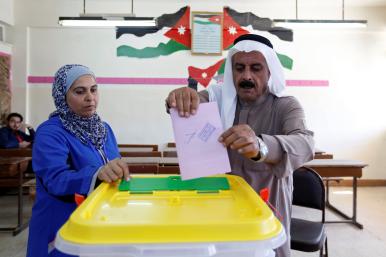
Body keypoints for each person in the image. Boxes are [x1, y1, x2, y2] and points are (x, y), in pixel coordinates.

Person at [165, 34, 314, 257]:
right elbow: (191, 103)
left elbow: (305, 143)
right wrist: (179, 99)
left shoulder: (286, 106)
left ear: (269, 71)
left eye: (256, 68)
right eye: (239, 68)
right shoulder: (216, 99)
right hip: (220, 212)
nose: (246, 76)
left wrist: (261, 146)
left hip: (267, 214)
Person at [26, 64, 130, 257]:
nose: (90, 97)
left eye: (93, 89)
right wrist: (97, 174)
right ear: (62, 96)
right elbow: (55, 179)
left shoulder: (103, 129)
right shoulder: (50, 132)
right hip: (61, 225)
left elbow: (113, 162)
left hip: (97, 220)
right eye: (79, 91)